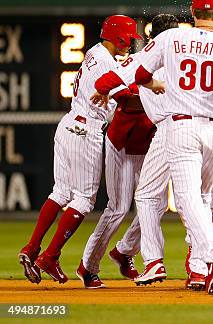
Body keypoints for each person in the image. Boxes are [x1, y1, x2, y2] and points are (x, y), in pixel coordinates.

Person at [94, 0, 213, 294]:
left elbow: (134, 72)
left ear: (191, 12)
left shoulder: (171, 40)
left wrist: (104, 85)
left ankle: (212, 254)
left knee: (184, 198)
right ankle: (198, 268)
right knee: (202, 198)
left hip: (181, 127)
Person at [18, 16, 142, 284]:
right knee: (84, 199)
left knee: (60, 192)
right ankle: (49, 256)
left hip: (68, 124)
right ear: (119, 36)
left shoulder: (93, 53)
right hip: (86, 128)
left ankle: (31, 248)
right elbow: (127, 103)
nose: (131, 43)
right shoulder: (107, 63)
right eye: (129, 38)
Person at [77, 14, 179, 289]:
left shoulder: (178, 67)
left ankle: (124, 252)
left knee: (155, 204)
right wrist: (154, 95)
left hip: (148, 143)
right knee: (119, 207)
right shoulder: (141, 61)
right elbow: (126, 100)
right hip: (122, 141)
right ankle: (88, 266)